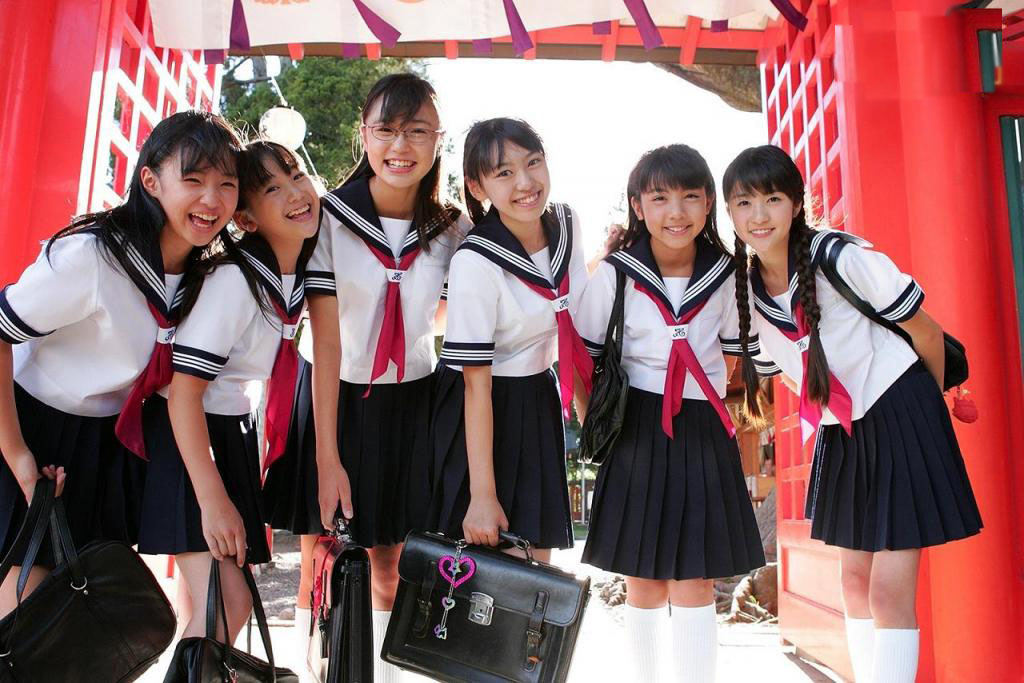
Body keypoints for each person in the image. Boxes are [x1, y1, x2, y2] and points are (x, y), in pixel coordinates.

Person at [725, 144, 982, 682]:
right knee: (853, 583)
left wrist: (926, 412)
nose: (759, 215)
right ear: (730, 212)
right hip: (843, 430)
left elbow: (926, 332)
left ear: (797, 204)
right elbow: (787, 372)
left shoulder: (841, 257)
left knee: (888, 592)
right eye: (744, 203)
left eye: (773, 199)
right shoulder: (745, 293)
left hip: (900, 407)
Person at [261, 73, 468, 682]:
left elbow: (455, 315)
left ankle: (389, 674)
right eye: (386, 130)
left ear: (438, 140)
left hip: (413, 401)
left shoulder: (452, 229)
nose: (400, 146)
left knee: (394, 559)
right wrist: (327, 457)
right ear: (364, 135)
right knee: (320, 555)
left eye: (417, 131)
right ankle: (313, 671)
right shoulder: (328, 218)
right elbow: (326, 341)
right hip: (335, 394)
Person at [0, 111, 243, 617]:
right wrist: (18, 455)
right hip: (27, 426)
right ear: (150, 181)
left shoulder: (205, 276)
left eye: (227, 184)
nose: (212, 200)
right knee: (25, 615)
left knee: (80, 623)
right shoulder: (92, 258)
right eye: (193, 180)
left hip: (106, 444)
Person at [576, 144, 765, 682]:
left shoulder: (727, 274)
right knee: (643, 576)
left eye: (690, 197)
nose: (675, 212)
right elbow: (583, 356)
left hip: (702, 426)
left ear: (709, 204)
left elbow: (737, 354)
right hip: (635, 425)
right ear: (638, 205)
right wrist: (598, 426)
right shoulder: (616, 273)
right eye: (659, 198)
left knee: (696, 577)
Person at [137, 139, 318, 644]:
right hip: (189, 436)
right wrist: (213, 497)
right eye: (272, 189)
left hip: (231, 430)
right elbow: (183, 391)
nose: (295, 193)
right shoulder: (235, 280)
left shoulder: (294, 274)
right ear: (246, 219)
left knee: (213, 606)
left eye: (296, 176)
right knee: (227, 604)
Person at [430, 117, 591, 562]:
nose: (525, 182)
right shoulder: (476, 261)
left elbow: (576, 329)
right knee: (488, 564)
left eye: (533, 162)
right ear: (477, 187)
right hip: (481, 408)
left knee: (536, 564)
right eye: (504, 172)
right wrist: (483, 495)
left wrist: (593, 421)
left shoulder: (567, 225)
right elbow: (474, 384)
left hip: (537, 396)